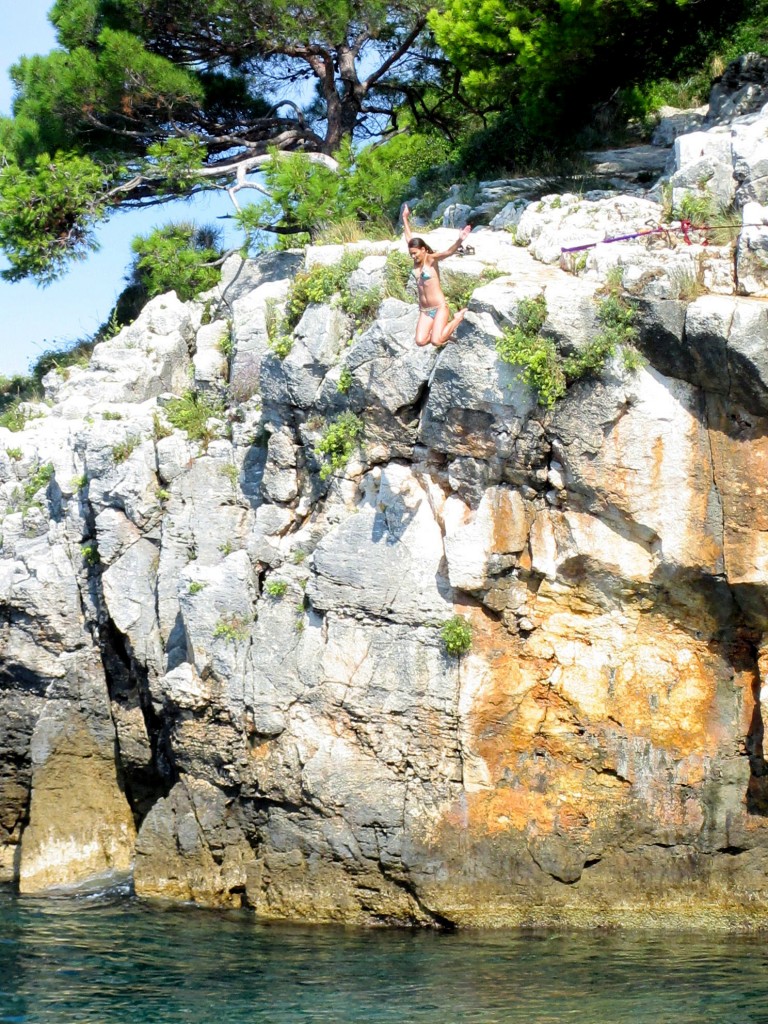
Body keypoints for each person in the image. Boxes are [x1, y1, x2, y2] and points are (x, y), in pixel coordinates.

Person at [402, 204, 473, 347]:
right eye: (411, 254)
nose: (413, 256)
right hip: (425, 311)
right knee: (420, 341)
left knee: (436, 341)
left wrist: (460, 240)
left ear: (423, 250)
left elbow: (447, 252)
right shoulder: (416, 262)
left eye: (415, 253)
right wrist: (405, 217)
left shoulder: (431, 259)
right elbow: (409, 237)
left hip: (439, 307)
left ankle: (457, 318)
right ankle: (443, 333)